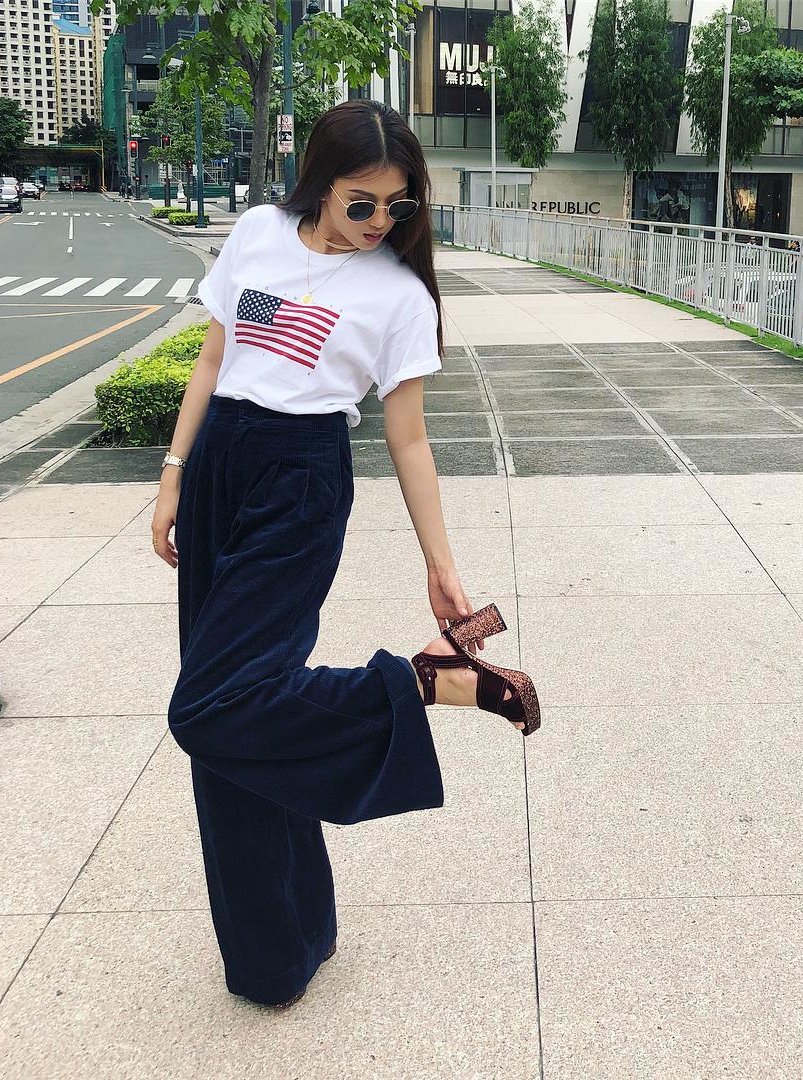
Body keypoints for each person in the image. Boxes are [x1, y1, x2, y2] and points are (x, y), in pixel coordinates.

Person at [151, 99, 541, 1012]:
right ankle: (282, 949)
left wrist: (440, 564)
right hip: (220, 469)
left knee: (209, 706)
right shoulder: (259, 231)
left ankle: (423, 682)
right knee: (241, 722)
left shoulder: (399, 296)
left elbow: (408, 437)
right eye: (362, 203)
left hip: (300, 483)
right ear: (319, 184)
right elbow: (212, 359)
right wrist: (174, 472)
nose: (378, 222)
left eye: (398, 207)